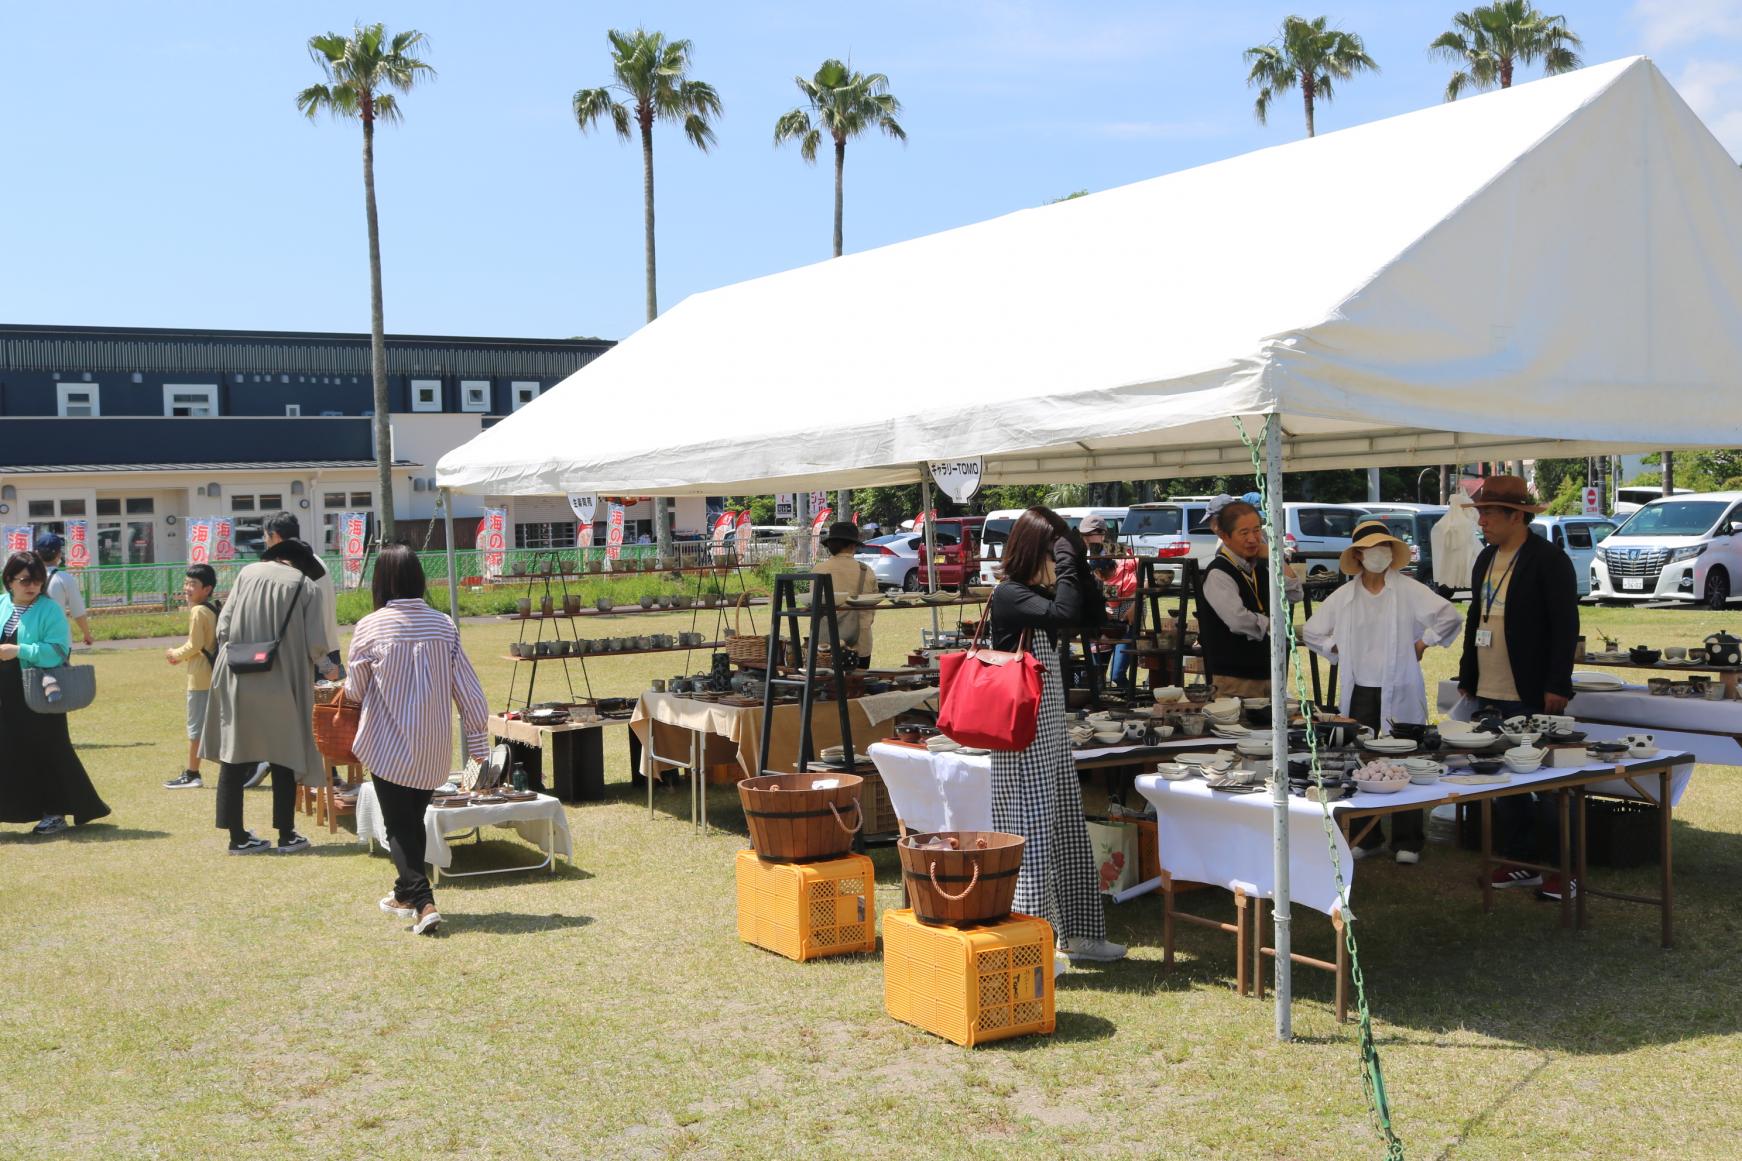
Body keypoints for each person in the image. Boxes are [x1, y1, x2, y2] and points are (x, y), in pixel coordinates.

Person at [988, 507, 1126, 964]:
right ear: (1037, 551)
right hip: (1022, 740)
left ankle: (1081, 935)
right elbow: (1066, 610)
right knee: (1028, 840)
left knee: (1066, 832)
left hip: (1047, 736)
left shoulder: (1032, 592)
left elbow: (1088, 614)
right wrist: (1069, 561)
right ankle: (1030, 946)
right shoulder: (1010, 595)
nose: (1061, 560)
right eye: (1055, 551)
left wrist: (1078, 562)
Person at [348, 545, 490, 935]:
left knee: (398, 826)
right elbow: (469, 690)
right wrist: (478, 744)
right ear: (418, 578)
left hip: (387, 743)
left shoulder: (370, 626)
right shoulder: (444, 625)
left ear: (382, 581)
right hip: (432, 747)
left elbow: (355, 692)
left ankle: (423, 902)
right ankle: (403, 894)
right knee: (410, 821)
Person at [1303, 520, 1463, 864]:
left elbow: (1449, 617)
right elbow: (1313, 632)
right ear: (1358, 555)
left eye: (1386, 547)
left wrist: (1423, 642)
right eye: (1373, 549)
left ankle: (1408, 840)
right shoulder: (1344, 597)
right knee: (1360, 760)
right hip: (1360, 690)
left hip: (1401, 687)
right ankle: (1369, 835)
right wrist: (1337, 649)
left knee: (1404, 759)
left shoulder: (1408, 590)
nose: (1380, 555)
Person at [1454, 475, 1578, 897]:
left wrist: (1557, 683)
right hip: (1490, 687)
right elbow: (1477, 618)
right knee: (1505, 782)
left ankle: (1564, 870)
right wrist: (1468, 674)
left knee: (1548, 786)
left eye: (1489, 513)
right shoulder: (1485, 558)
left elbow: (1566, 626)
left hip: (1531, 689)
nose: (1482, 521)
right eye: (1481, 513)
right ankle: (1520, 860)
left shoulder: (1548, 559)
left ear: (1516, 515)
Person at [202, 539, 331, 854]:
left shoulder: (247, 572)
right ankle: (287, 834)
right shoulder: (306, 587)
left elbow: (224, 626)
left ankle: (237, 837)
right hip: (281, 678)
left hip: (236, 672)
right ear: (300, 564)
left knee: (234, 754)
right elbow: (316, 644)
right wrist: (329, 669)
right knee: (284, 753)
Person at [0, 551, 110, 835]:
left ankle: (56, 812)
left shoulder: (49, 609)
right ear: (9, 580)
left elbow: (58, 650)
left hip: (41, 693)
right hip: (7, 695)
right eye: (25, 580)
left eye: (37, 580)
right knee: (10, 752)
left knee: (50, 750)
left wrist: (19, 650)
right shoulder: (1, 605)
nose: (32, 586)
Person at [1197, 495, 1302, 699]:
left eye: (1256, 530)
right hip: (1234, 679)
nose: (1253, 539)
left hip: (1268, 674)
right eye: (1244, 533)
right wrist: (1273, 625)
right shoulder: (1219, 572)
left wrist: (1274, 557)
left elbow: (1295, 593)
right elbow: (1238, 620)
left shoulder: (1259, 566)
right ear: (1225, 536)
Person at [262, 512, 342, 677]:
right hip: (329, 649)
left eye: (265, 537)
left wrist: (324, 664)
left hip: (310, 657)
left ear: (275, 537)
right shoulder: (316, 560)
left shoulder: (287, 569)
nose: (264, 541)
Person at [164, 564, 220, 789]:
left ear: (206, 588)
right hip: (212, 675)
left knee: (196, 728)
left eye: (193, 584)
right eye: (186, 583)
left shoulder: (198, 611)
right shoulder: (211, 608)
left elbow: (195, 644)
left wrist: (174, 654)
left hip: (200, 677)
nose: (187, 588)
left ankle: (192, 773)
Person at [810, 521, 878, 669]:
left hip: (826, 642)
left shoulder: (819, 569)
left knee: (829, 688)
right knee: (857, 687)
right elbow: (873, 605)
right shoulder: (865, 570)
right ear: (853, 545)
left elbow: (812, 603)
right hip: (860, 641)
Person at [34, 533, 93, 648]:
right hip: (59, 640)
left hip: (31, 639)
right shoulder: (65, 579)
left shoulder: (28, 578)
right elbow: (78, 611)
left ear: (37, 554)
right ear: (59, 555)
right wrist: (87, 634)